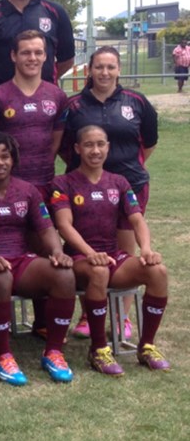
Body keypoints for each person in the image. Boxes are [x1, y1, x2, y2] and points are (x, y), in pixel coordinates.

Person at [0, 132, 76, 386]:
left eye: (5, 156)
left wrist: (57, 252)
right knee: (1, 277)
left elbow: (45, 229)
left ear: (14, 160)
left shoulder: (28, 191)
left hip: (20, 261)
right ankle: (3, 355)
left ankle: (54, 352)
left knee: (64, 274)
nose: (0, 162)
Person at [50, 125, 170, 375]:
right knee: (99, 272)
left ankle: (147, 346)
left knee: (158, 271)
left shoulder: (119, 182)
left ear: (108, 147)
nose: (95, 150)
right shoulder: (63, 183)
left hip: (113, 256)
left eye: (100, 144)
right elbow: (63, 225)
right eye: (89, 145)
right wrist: (89, 252)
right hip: (79, 258)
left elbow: (137, 220)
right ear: (77, 149)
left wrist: (146, 249)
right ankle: (99, 349)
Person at [61, 46, 159, 339]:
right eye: (99, 67)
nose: (105, 73)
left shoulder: (137, 102)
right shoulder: (74, 105)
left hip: (129, 185)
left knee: (125, 252)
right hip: (82, 187)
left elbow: (149, 143)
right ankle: (88, 314)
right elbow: (67, 146)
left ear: (119, 70)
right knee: (85, 250)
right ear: (89, 70)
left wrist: (121, 172)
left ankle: (122, 316)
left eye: (111, 67)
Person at [0, 30, 66, 196]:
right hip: (6, 186)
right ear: (14, 56)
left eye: (38, 53)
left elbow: (55, 142)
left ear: (45, 56)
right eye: (26, 53)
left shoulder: (58, 96)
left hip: (45, 182)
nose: (32, 58)